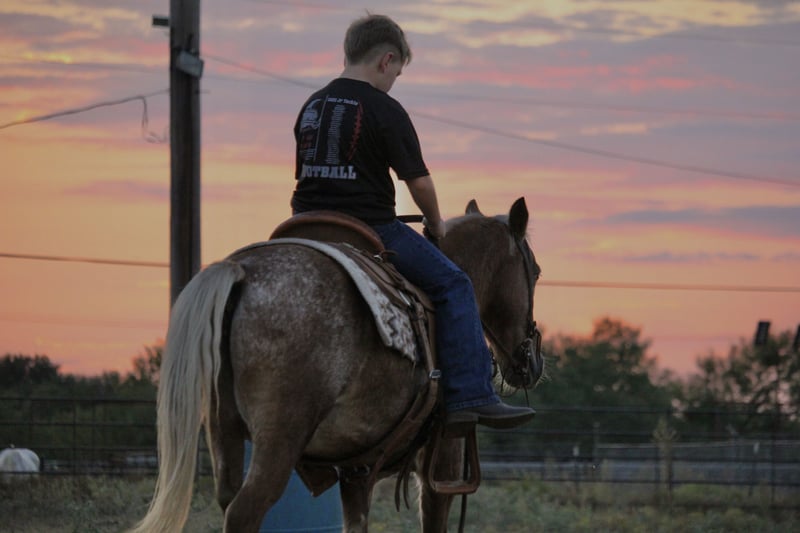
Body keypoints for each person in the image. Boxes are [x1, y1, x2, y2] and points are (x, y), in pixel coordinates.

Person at [290, 13, 534, 430]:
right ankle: (472, 396)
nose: (393, 82)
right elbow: (418, 182)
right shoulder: (384, 108)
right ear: (386, 60)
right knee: (454, 284)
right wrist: (436, 225)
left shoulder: (312, 105)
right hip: (368, 227)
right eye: (397, 73)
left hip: (304, 224)